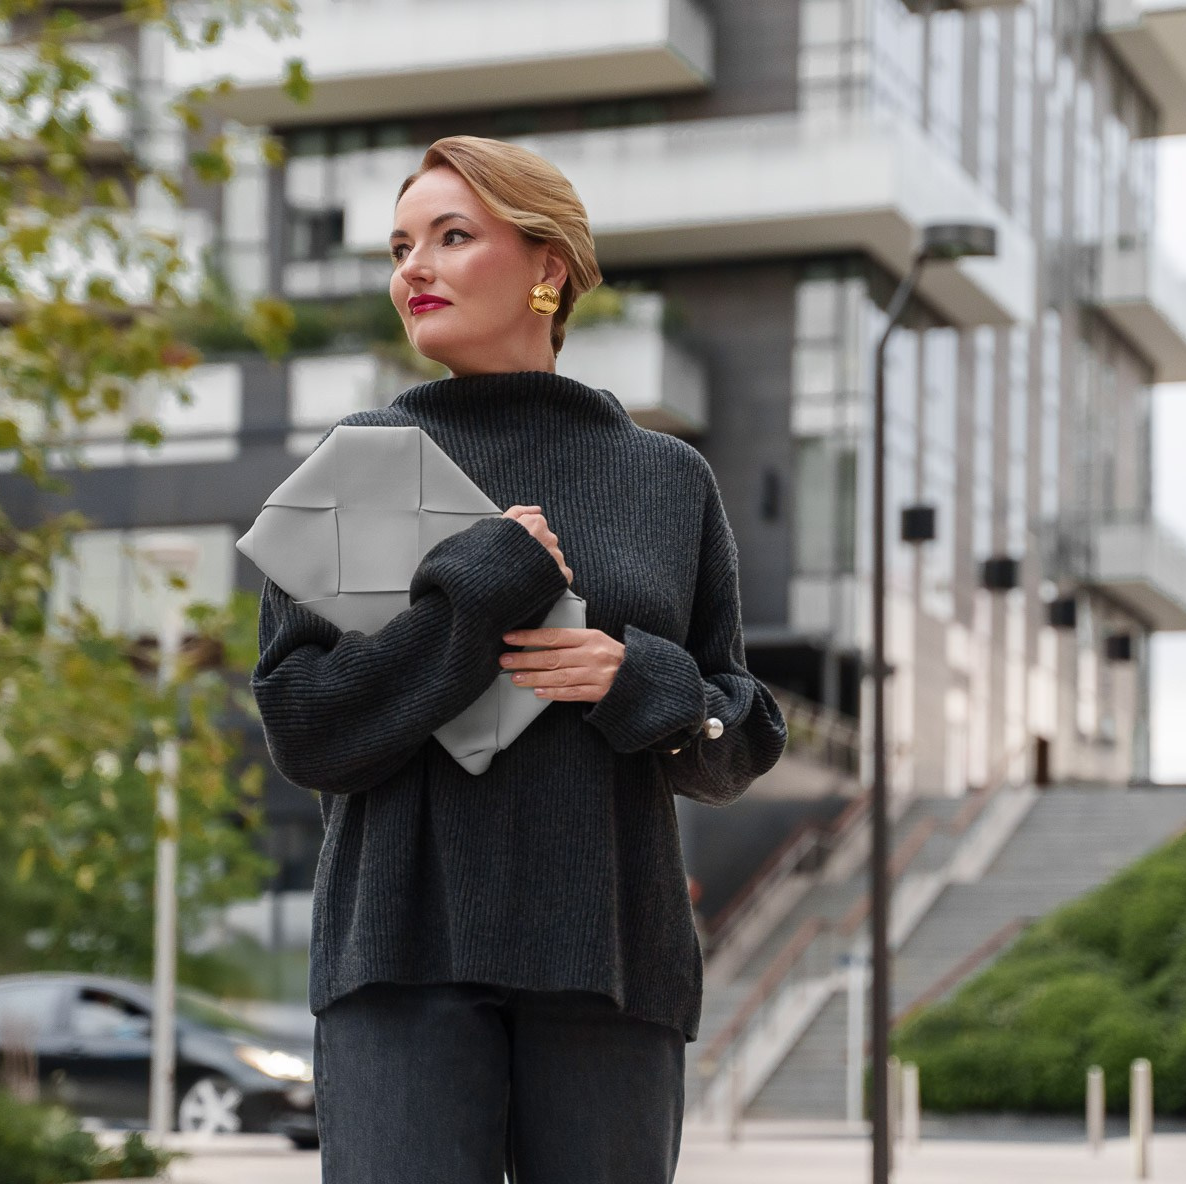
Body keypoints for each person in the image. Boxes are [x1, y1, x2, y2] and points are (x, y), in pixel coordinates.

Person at [250, 134, 788, 1183]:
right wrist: (479, 590)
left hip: (610, 959)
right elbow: (305, 727)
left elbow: (742, 733)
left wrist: (637, 680)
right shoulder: (356, 465)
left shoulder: (666, 478)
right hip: (397, 955)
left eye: (452, 236)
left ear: (550, 266)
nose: (415, 268)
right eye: (401, 246)